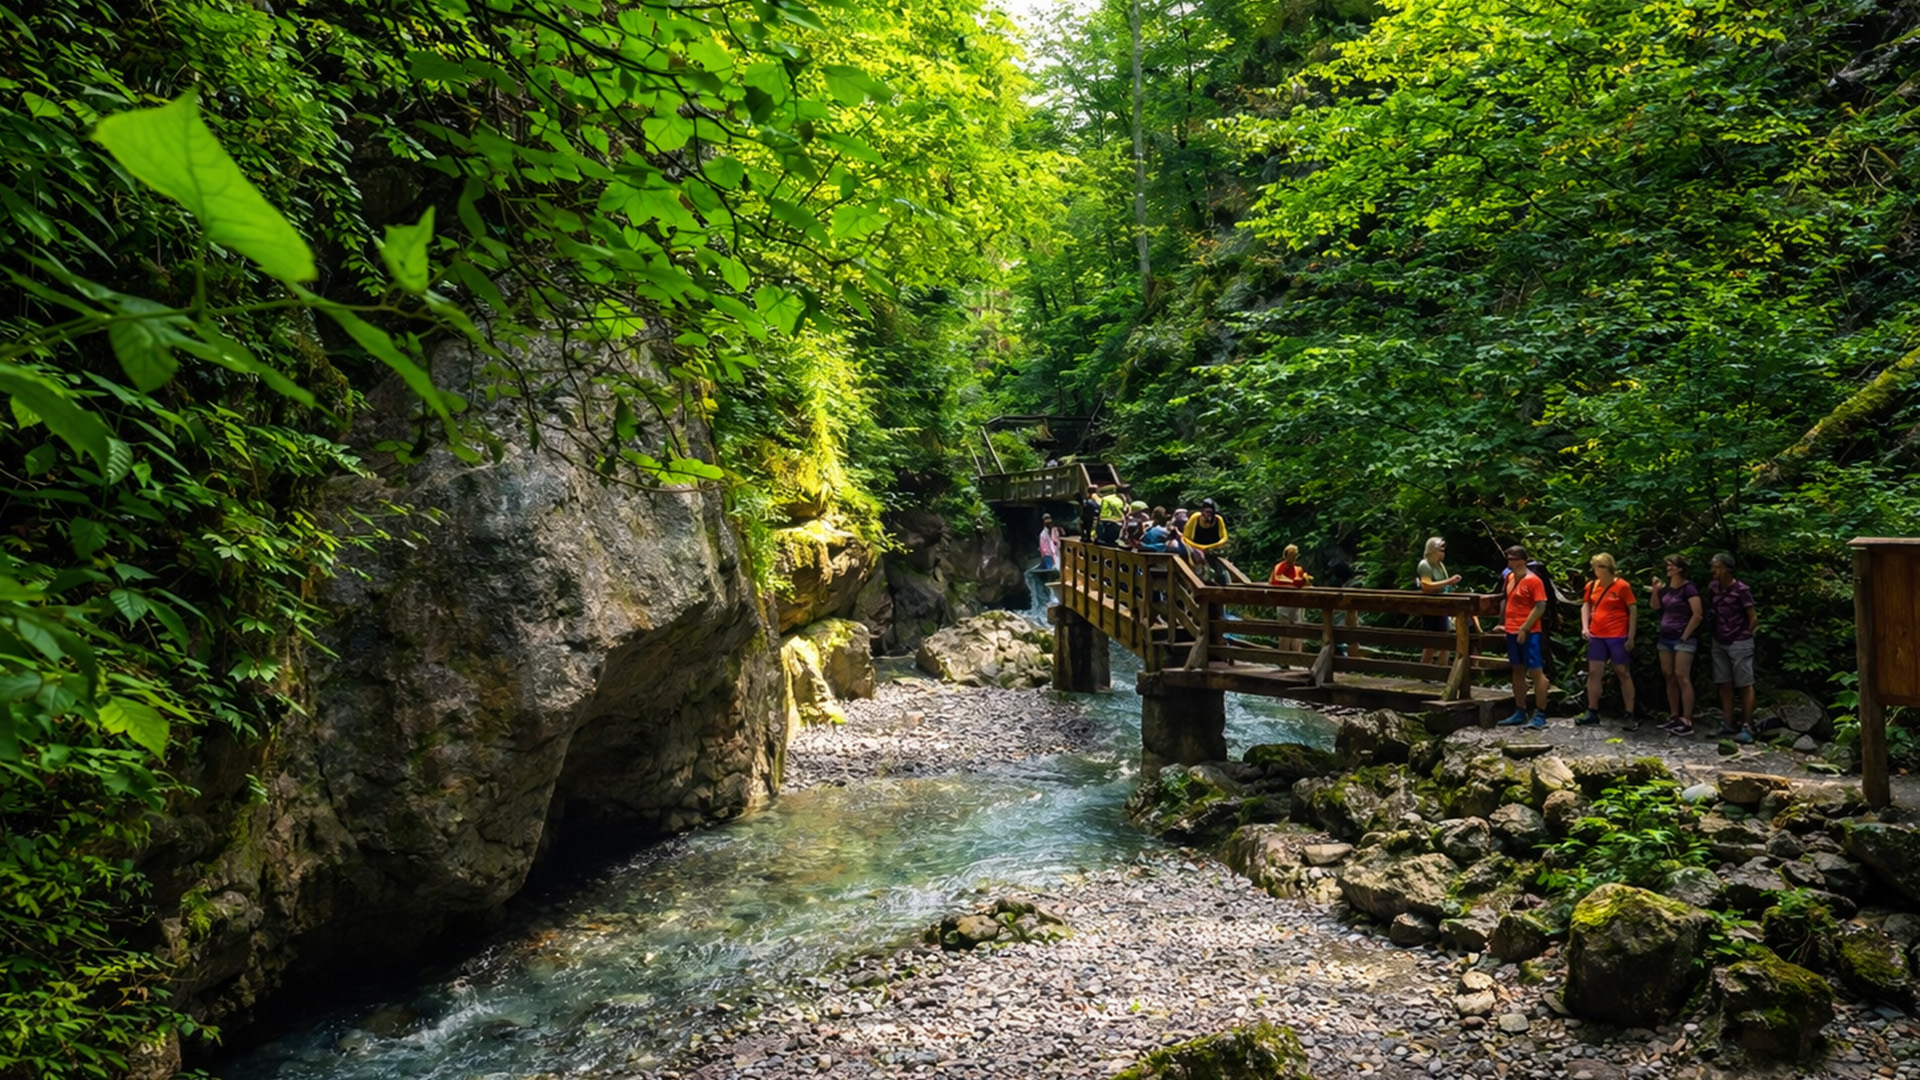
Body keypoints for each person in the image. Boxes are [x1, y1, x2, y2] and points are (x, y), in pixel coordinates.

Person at [1577, 552, 1638, 727]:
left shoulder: (1622, 586)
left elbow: (1632, 609)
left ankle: (1630, 713)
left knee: (1622, 671)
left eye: (1599, 566)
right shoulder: (1592, 585)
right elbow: (1586, 604)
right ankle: (1592, 710)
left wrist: (1631, 636)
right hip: (1597, 635)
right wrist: (1585, 626)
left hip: (1617, 634)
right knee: (1595, 672)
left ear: (1607, 568)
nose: (1596, 570)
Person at [1497, 545, 1551, 729]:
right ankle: (1520, 710)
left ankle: (1540, 713)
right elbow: (1507, 600)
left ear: (1521, 560)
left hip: (1530, 631)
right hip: (1511, 630)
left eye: (1512, 559)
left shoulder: (1534, 581)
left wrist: (1525, 628)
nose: (1509, 562)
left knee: (1536, 671)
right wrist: (1504, 624)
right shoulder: (1510, 577)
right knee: (1517, 669)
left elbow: (1540, 606)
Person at [1650, 554, 1704, 735]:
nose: (1668, 568)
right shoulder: (1667, 589)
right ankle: (1673, 716)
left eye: (1671, 565)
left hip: (1684, 639)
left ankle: (1686, 719)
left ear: (1680, 568)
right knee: (1669, 675)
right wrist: (1656, 591)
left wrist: (1685, 635)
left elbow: (1698, 614)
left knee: (1682, 675)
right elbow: (1655, 607)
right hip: (1665, 638)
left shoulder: (1688, 588)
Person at [1707, 552, 1758, 743]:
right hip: (1719, 640)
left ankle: (1747, 726)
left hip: (1739, 641)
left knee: (1745, 683)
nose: (1714, 570)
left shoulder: (1741, 590)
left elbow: (1752, 616)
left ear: (1727, 568)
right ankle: (1727, 722)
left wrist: (1744, 635)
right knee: (1724, 682)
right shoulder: (1713, 588)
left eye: (1717, 567)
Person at [1415, 536, 1463, 666]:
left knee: (1445, 642)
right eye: (1440, 550)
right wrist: (1449, 581)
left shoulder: (1440, 565)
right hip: (1430, 608)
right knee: (1431, 643)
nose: (1443, 553)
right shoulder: (1425, 565)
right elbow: (1426, 585)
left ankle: (1442, 672)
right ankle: (1425, 672)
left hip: (1443, 606)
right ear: (1433, 550)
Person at [1269, 543, 1312, 651]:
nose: (1293, 557)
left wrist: (1305, 581)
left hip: (1297, 604)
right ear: (1286, 555)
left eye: (1295, 555)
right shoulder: (1279, 567)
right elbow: (1276, 580)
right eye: (1291, 554)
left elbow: (1305, 583)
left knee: (1298, 631)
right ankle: (1284, 659)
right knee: (1284, 631)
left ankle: (1297, 657)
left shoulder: (1298, 569)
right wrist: (1293, 582)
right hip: (1284, 603)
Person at [1182, 498, 1230, 582]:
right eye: (1206, 512)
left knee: (1221, 570)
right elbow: (1185, 538)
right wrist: (1199, 547)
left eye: (1211, 513)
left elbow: (1224, 538)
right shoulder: (1195, 518)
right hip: (1196, 550)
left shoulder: (1218, 520)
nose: (1208, 515)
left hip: (1213, 550)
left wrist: (1209, 547)